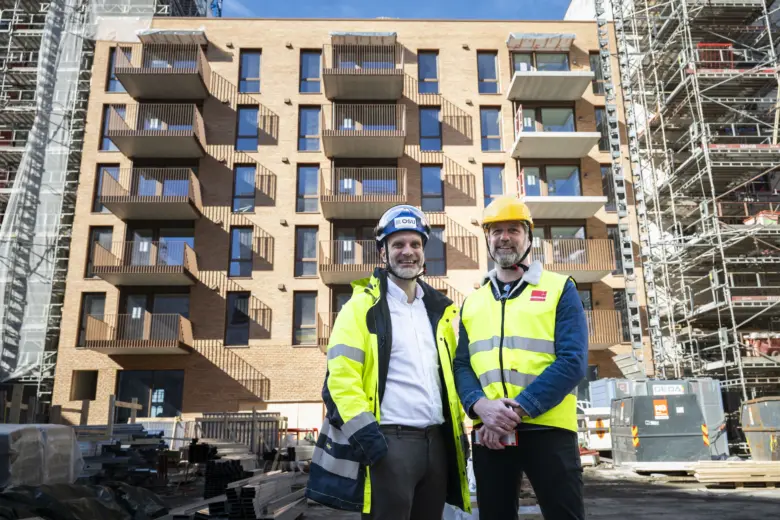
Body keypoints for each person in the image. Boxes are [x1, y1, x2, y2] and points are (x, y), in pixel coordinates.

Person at [305, 205, 471, 519]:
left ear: (424, 252)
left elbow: (451, 379)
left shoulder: (441, 312)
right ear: (383, 252)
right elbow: (340, 380)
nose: (408, 252)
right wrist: (366, 436)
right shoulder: (361, 308)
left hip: (437, 444)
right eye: (398, 245)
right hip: (390, 444)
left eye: (415, 244)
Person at [453, 196, 588, 520]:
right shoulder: (473, 302)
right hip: (489, 432)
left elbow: (572, 361)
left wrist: (515, 410)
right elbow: (462, 364)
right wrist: (480, 407)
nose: (504, 237)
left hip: (548, 430)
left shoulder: (559, 289)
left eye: (513, 229)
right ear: (487, 238)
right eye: (496, 231)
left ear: (528, 236)